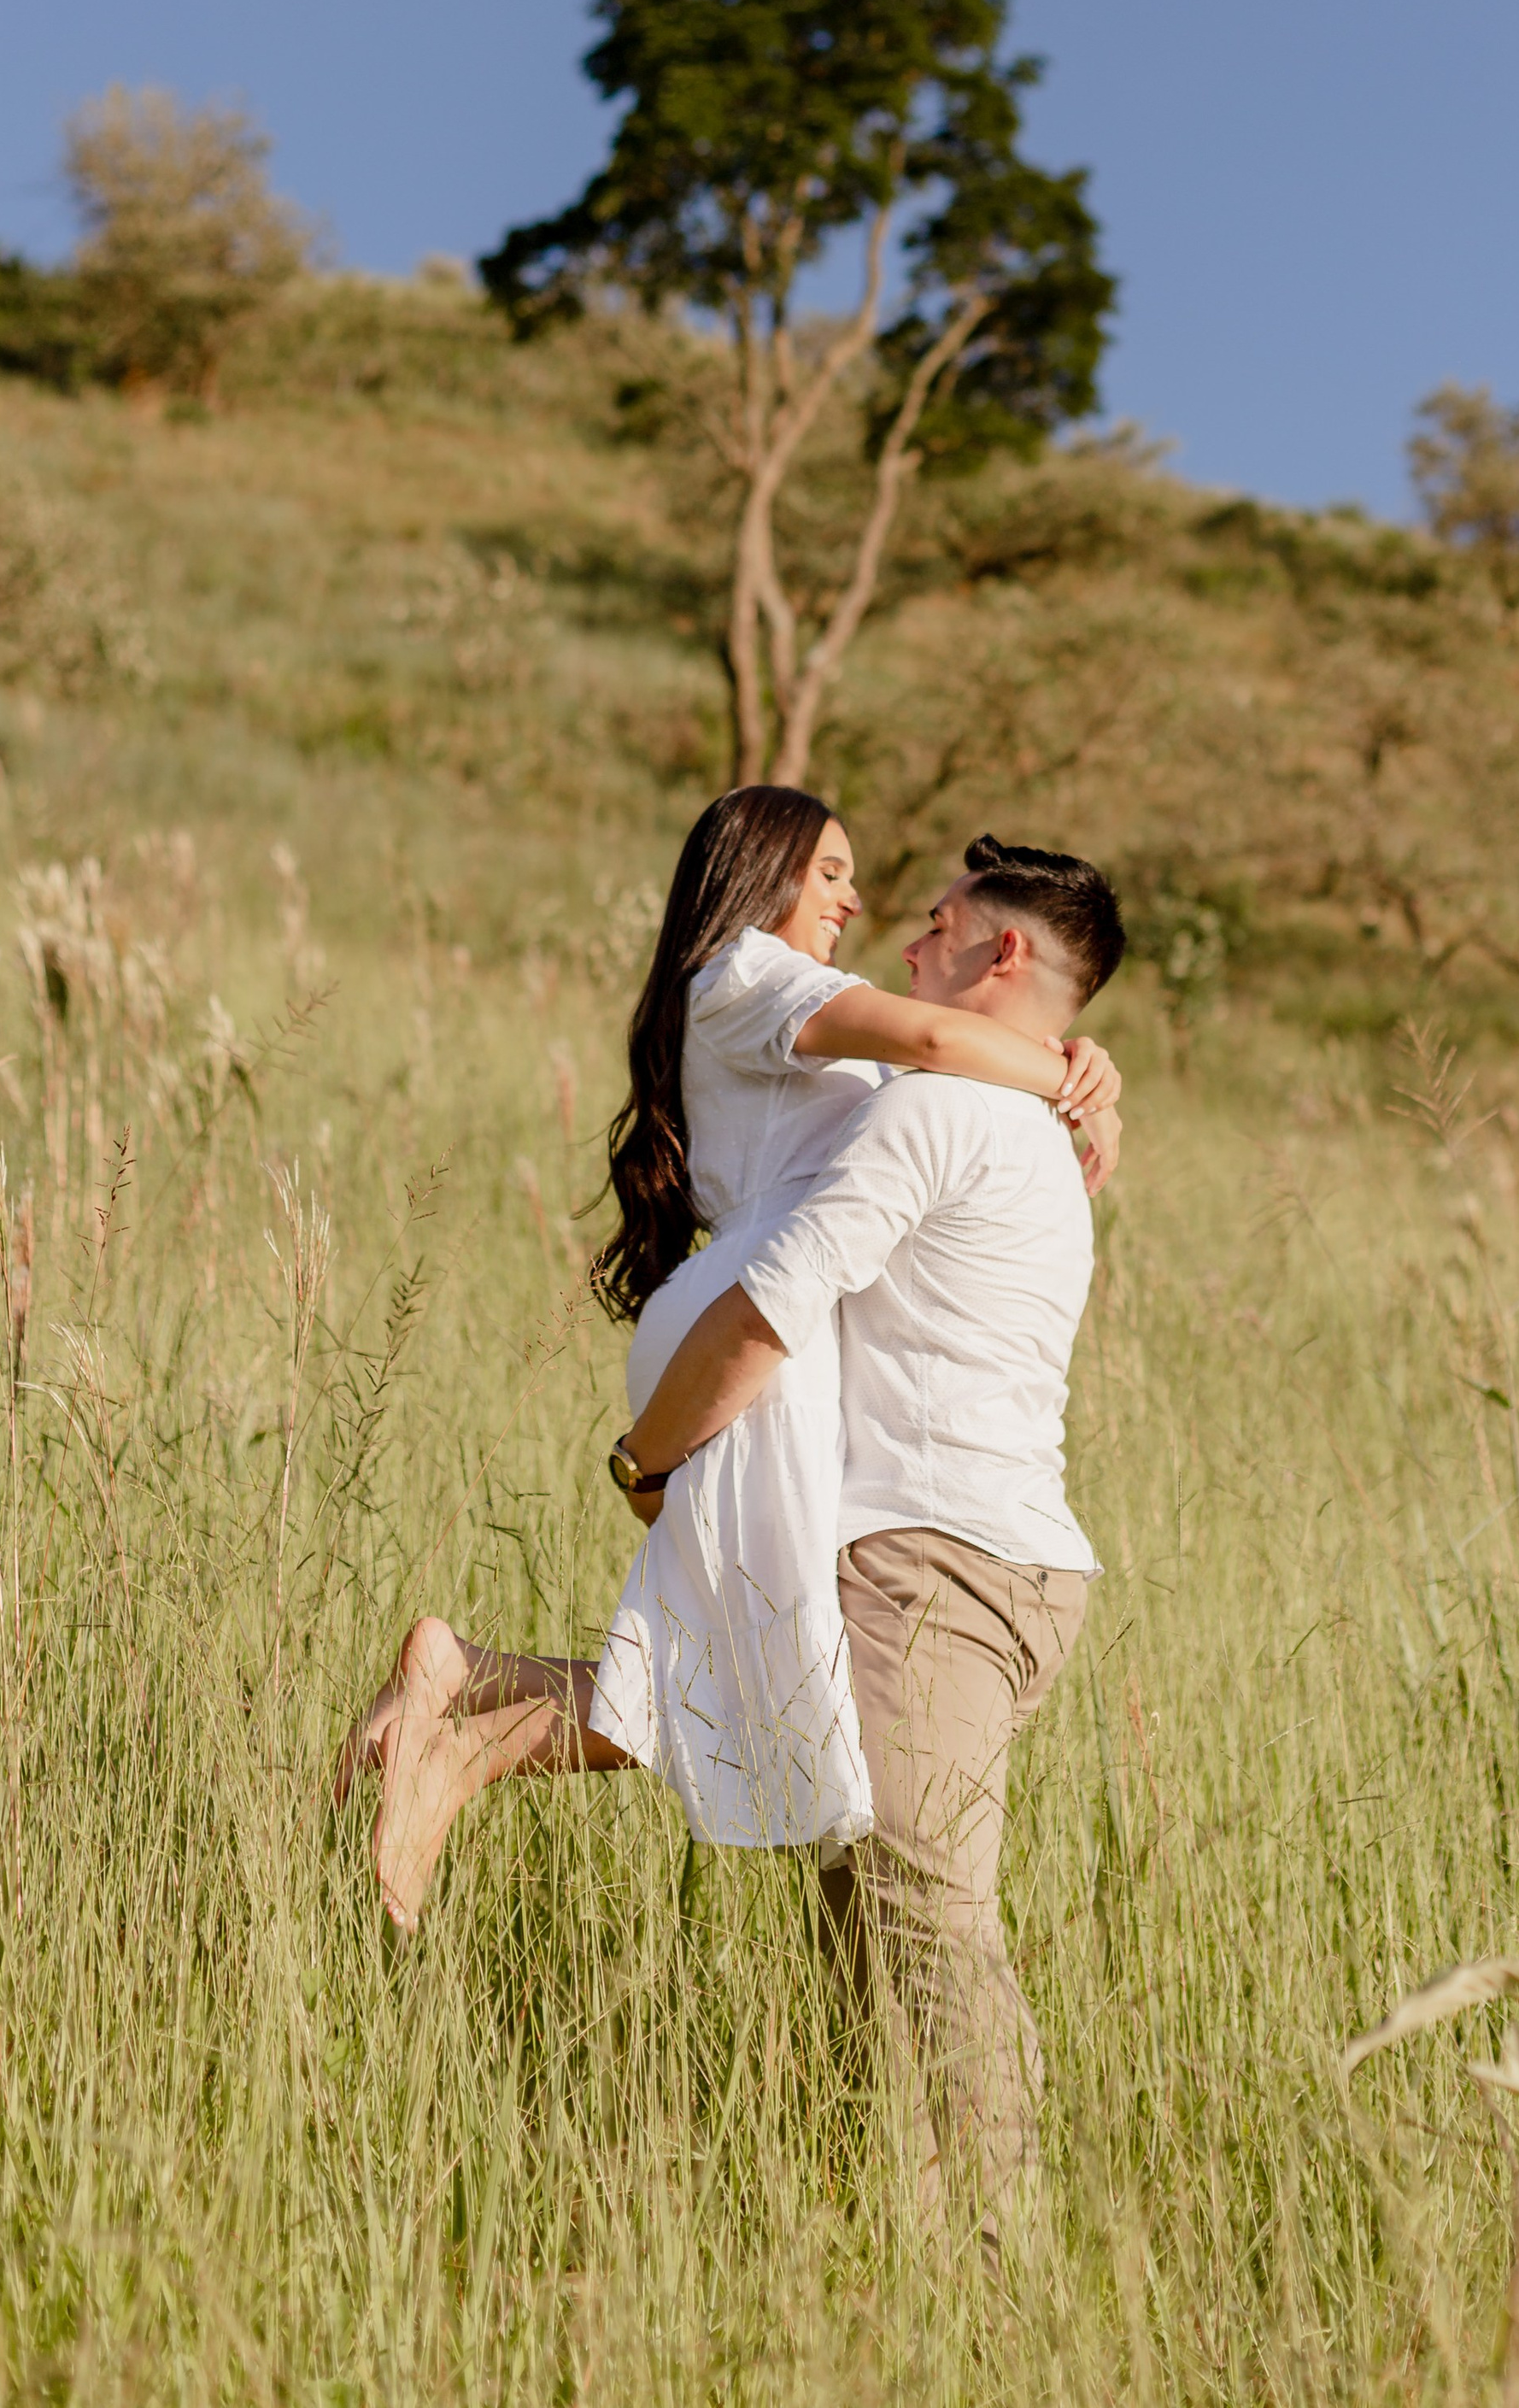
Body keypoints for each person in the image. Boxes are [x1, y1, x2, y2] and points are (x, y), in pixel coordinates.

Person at [338, 787, 1119, 1930]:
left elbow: (940, 1063)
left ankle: (464, 1686)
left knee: (753, 1676)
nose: (858, 901)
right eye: (832, 872)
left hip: (751, 1315)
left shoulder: (788, 1000)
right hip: (755, 1327)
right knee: (749, 1679)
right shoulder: (753, 975)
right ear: (763, 870)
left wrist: (1082, 1060)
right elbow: (939, 1041)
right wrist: (1070, 1079)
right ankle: (459, 1748)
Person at [613, 834, 1124, 2269]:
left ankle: (1002, 2274)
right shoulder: (1040, 1132)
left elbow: (770, 1312)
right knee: (874, 1937)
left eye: (942, 923)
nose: (907, 940)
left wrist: (647, 1460)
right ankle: (894, 2256)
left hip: (929, 1572)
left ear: (1004, 953)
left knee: (927, 1932)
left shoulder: (938, 1111)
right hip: (1014, 1569)